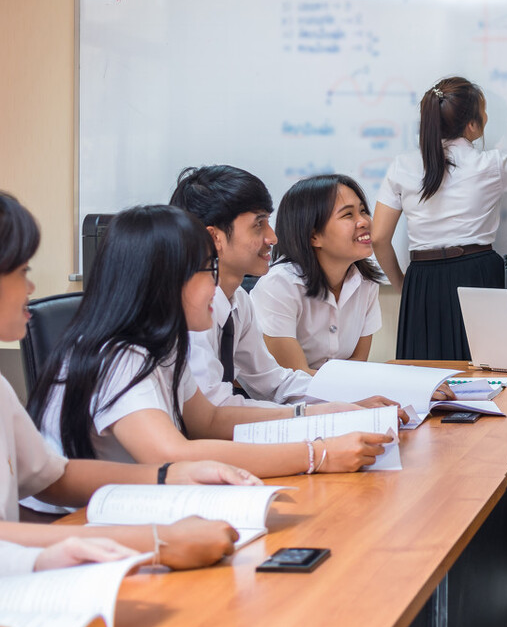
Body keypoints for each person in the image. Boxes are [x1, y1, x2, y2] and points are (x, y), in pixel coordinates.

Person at [27, 205, 392, 480]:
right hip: (83, 521)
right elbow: (173, 453)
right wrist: (318, 455)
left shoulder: (164, 346)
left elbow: (210, 418)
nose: (215, 288)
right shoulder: (122, 355)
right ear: (164, 281)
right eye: (208, 271)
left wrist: (317, 416)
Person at [0, 191, 257, 572]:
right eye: (23, 272)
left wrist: (167, 477)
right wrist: (155, 540)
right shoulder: (118, 355)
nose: (31, 287)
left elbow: (51, 476)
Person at [171, 165, 397, 409]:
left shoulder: (239, 300)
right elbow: (213, 416)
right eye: (259, 225)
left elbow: (273, 381)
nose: (273, 238)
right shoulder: (190, 309)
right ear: (215, 238)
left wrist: (351, 401)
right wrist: (315, 413)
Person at [372, 76, 507, 360]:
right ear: (472, 125)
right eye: (484, 113)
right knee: (487, 375)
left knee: (427, 385)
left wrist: (402, 285)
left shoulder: (402, 165)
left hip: (422, 281)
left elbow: (378, 238)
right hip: (479, 275)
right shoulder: (492, 164)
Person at [252, 174, 385, 374]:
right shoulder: (279, 285)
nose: (364, 221)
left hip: (339, 400)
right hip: (282, 401)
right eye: (348, 215)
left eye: (363, 211)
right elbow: (296, 377)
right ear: (314, 235)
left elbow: (357, 365)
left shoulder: (366, 283)